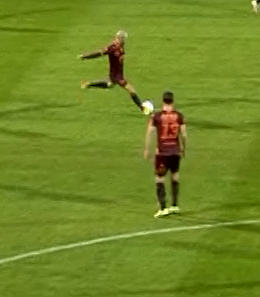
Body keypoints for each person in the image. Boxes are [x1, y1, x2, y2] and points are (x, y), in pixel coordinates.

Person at [80, 30, 147, 112]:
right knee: (131, 90)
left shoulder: (121, 46)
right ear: (120, 38)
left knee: (109, 85)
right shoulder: (112, 48)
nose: (124, 40)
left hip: (118, 73)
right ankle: (143, 108)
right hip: (117, 76)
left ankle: (89, 84)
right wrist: (85, 56)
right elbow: (99, 53)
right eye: (123, 39)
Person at [144, 90, 187, 218]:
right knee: (175, 176)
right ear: (173, 101)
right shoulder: (179, 116)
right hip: (175, 151)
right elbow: (184, 134)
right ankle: (175, 205)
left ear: (163, 101)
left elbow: (150, 133)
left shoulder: (157, 116)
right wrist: (183, 148)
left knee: (160, 178)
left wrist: (147, 149)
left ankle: (163, 208)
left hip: (162, 152)